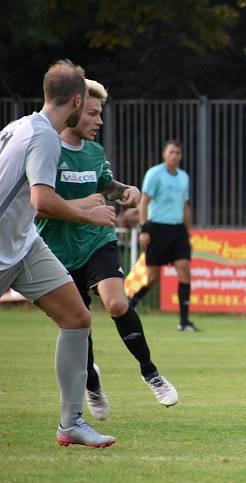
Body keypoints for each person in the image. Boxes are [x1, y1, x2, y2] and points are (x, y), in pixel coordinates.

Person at [36, 79, 179, 420]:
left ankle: (150, 372)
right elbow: (39, 204)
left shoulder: (95, 152)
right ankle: (92, 382)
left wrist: (126, 190)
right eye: (93, 113)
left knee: (117, 302)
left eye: (101, 113)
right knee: (77, 321)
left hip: (97, 240)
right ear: (73, 109)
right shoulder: (45, 149)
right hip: (56, 250)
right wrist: (86, 204)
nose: (99, 121)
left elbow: (106, 187)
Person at [0, 60, 117, 447]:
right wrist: (91, 213)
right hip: (3, 245)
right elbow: (43, 200)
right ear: (77, 100)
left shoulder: (20, 125)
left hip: (24, 242)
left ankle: (72, 423)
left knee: (77, 316)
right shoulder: (46, 137)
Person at [129, 140, 199, 332]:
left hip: (178, 231)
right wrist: (144, 230)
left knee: (184, 269)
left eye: (177, 152)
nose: (174, 155)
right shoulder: (154, 174)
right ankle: (130, 304)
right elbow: (143, 203)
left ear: (181, 156)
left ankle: (184, 322)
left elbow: (185, 206)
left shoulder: (184, 177)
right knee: (152, 276)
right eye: (171, 152)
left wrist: (187, 233)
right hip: (157, 229)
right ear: (164, 154)